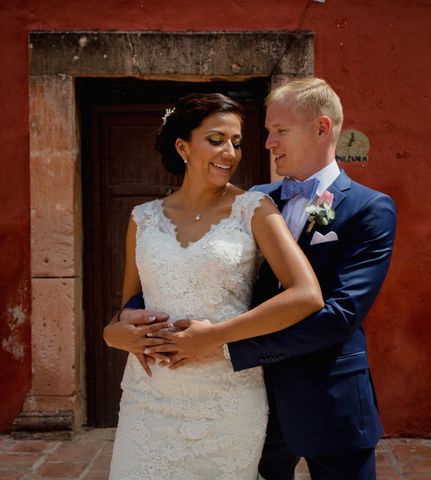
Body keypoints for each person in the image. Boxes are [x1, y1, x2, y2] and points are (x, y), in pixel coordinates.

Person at [115, 78, 397, 479]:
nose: (267, 143)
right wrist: (123, 326)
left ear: (321, 128)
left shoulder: (370, 208)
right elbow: (192, 272)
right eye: (266, 133)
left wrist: (227, 347)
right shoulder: (255, 200)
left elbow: (338, 315)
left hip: (328, 402)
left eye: (279, 131)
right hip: (254, 405)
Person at [104, 92, 323, 480]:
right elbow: (128, 308)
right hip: (149, 396)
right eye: (217, 140)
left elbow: (306, 295)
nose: (231, 153)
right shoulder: (143, 219)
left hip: (227, 397)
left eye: (236, 143)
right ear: (183, 146)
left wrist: (216, 337)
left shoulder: (254, 210)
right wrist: (114, 334)